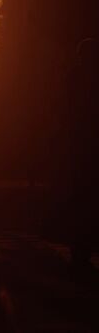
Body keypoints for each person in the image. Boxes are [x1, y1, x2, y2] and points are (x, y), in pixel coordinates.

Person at [65, 38, 99, 270]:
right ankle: (80, 249)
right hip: (83, 147)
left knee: (80, 200)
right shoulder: (76, 78)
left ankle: (80, 250)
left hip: (79, 147)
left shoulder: (73, 78)